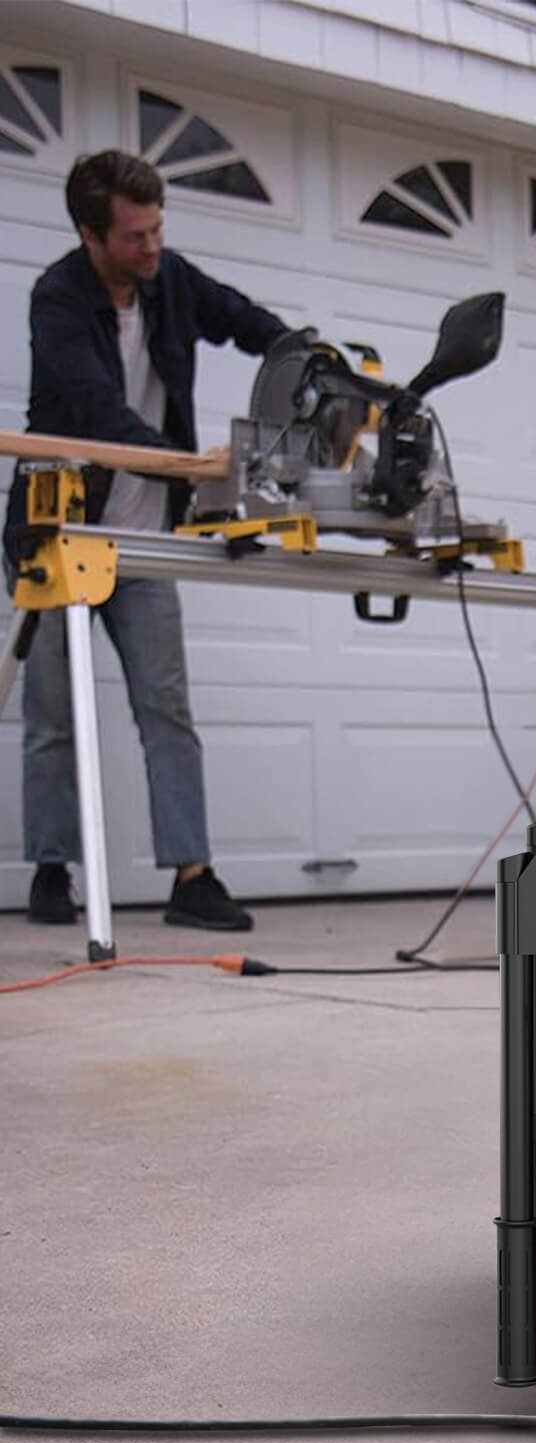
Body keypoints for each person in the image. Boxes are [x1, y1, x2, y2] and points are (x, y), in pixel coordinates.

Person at [4, 150, 288, 932]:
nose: (152, 247)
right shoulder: (57, 299)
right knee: (53, 717)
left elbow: (243, 320)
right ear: (92, 237)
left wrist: (303, 352)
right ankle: (53, 871)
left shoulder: (170, 279)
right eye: (134, 237)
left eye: (157, 229)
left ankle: (192, 878)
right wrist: (183, 466)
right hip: (61, 530)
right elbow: (95, 410)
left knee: (166, 707)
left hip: (144, 541)